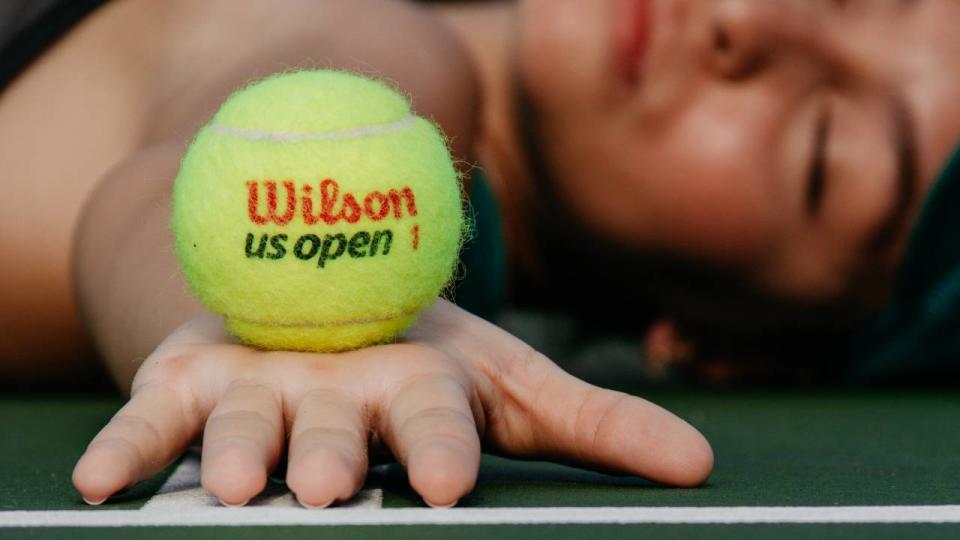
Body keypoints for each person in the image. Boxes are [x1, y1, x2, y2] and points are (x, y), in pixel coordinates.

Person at [0, 0, 957, 508]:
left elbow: (154, 192)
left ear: (738, 347)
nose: (749, 18)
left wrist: (241, 331)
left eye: (824, 151)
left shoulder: (399, 57)